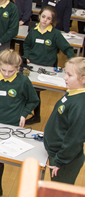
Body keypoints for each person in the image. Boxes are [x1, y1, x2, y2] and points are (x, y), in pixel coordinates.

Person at [0, 50, 39, 197]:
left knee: (0, 158)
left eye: (10, 71)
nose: (6, 74)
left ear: (17, 68)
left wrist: (24, 114)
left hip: (12, 126)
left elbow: (33, 100)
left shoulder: (23, 82)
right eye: (3, 70)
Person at [23, 6, 74, 125]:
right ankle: (27, 113)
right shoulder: (33, 31)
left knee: (35, 91)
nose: (45, 20)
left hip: (46, 68)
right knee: (28, 89)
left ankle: (36, 115)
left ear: (52, 21)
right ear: (39, 16)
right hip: (32, 66)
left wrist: (71, 63)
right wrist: (27, 56)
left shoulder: (55, 34)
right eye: (43, 16)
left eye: (48, 18)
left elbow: (68, 48)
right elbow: (26, 45)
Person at [44, 57, 85, 185]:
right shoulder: (72, 93)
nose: (65, 78)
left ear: (83, 79)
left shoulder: (80, 105)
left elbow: (75, 138)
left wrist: (60, 161)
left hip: (65, 160)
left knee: (60, 191)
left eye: (69, 75)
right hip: (58, 154)